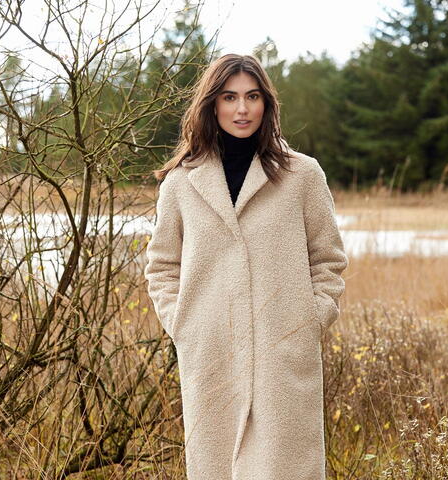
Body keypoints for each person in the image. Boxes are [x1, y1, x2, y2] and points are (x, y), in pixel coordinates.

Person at [144, 53, 348, 480]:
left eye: (252, 96)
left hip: (283, 356)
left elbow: (328, 261)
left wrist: (307, 321)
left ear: (266, 104)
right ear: (212, 105)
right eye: (230, 97)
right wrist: (186, 325)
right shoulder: (182, 182)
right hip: (212, 355)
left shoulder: (302, 176)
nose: (242, 109)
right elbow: (162, 268)